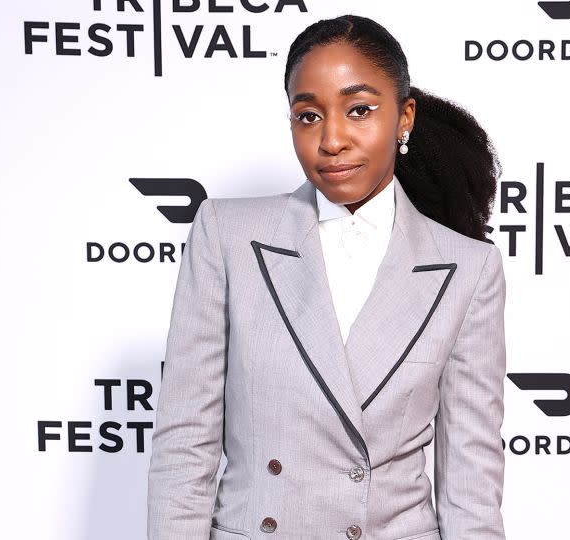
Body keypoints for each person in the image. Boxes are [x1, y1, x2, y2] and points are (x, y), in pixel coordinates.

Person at [147, 14, 507, 540]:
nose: (332, 139)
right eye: (308, 116)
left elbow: (471, 484)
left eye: (359, 110)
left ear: (404, 117)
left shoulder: (468, 269)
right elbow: (185, 443)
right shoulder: (227, 236)